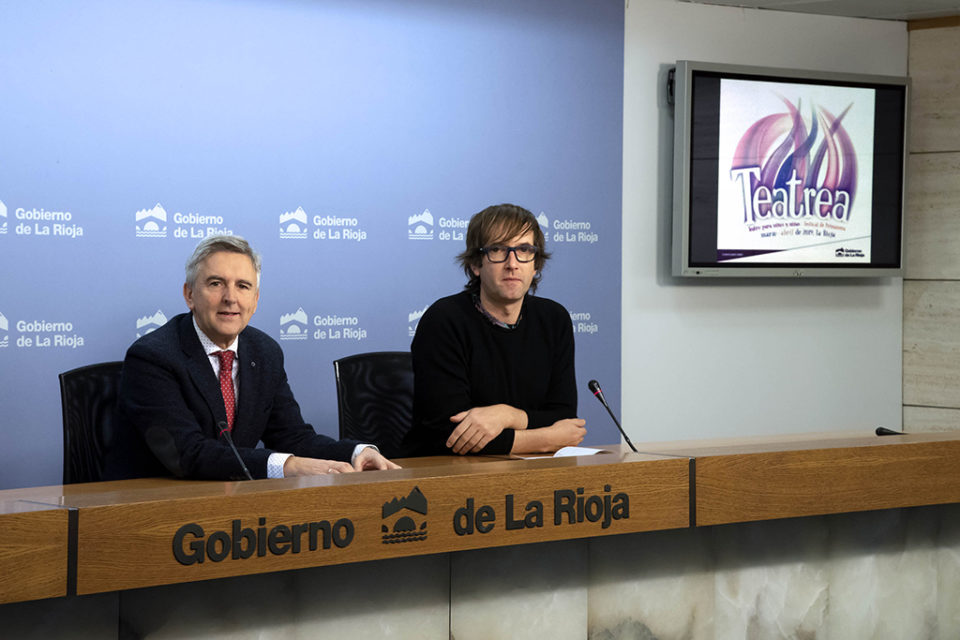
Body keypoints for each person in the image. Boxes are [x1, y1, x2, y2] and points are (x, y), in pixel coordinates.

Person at [105, 234, 399, 480]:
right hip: (152, 508)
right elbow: (187, 453)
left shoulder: (264, 352)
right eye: (216, 283)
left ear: (255, 300)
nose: (230, 298)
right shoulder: (153, 357)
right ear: (190, 294)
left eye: (243, 286)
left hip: (233, 506)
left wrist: (356, 452)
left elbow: (293, 437)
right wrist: (287, 465)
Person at [404, 203, 586, 456]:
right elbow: (448, 434)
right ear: (476, 265)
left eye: (524, 250)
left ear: (536, 265)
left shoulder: (554, 319)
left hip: (532, 474)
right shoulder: (444, 319)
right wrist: (544, 439)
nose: (512, 263)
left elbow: (564, 417)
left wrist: (506, 415)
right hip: (445, 474)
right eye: (498, 250)